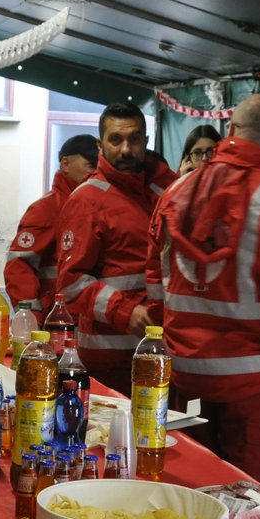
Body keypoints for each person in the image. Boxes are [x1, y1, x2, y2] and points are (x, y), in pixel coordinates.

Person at [147, 95, 260, 484]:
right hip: (255, 387)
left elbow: (154, 280)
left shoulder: (178, 193)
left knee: (190, 491)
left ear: (230, 131)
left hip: (185, 373)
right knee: (255, 503)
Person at [55, 103, 176, 393]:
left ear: (146, 142)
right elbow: (71, 283)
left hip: (164, 351)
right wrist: (127, 312)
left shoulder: (166, 192)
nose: (125, 149)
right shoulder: (87, 200)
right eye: (115, 139)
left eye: (134, 139)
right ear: (100, 145)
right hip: (110, 357)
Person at [4, 134, 98, 318]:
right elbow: (19, 265)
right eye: (90, 165)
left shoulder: (95, 206)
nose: (95, 172)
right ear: (65, 163)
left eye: (99, 166)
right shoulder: (47, 208)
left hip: (85, 319)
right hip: (55, 321)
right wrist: (31, 317)